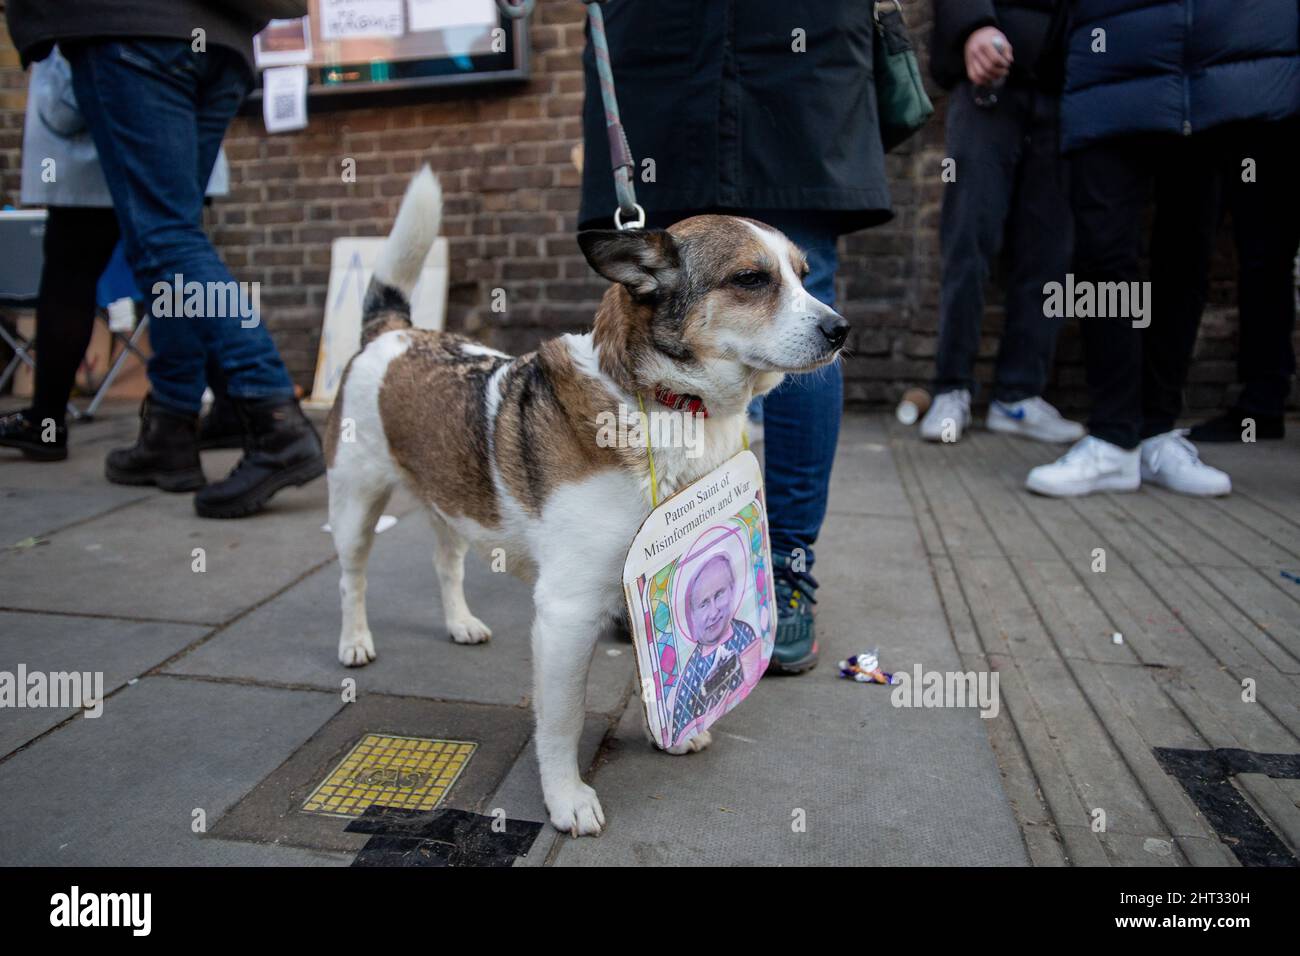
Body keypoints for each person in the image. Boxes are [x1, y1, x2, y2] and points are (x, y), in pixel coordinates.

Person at [580, 0, 892, 674]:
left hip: (794, 44)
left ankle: (782, 567)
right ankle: (654, 561)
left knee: (800, 321)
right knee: (659, 315)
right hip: (663, 47)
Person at [5, 0, 323, 518]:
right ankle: (172, 429)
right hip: (223, 38)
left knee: (165, 239)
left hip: (131, 28)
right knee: (174, 235)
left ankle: (276, 422)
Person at [1026, 0, 1299, 497]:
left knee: (1188, 254)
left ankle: (1155, 429)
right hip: (1109, 54)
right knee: (1103, 256)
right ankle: (1113, 435)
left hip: (1222, 64)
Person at [0, 47, 242, 462]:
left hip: (101, 140)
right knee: (181, 268)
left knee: (72, 274)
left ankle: (50, 419)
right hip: (173, 134)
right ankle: (231, 405)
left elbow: (66, 94)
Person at [922, 0, 1083, 445]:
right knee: (968, 241)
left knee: (1051, 251)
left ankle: (1019, 395)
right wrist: (974, 26)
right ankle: (951, 387)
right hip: (987, 86)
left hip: (1066, 89)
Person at [1188, 118, 1299, 444]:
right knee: (1262, 259)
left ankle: (1262, 403)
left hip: (1264, 115)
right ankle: (1261, 406)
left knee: (1264, 262)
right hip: (1263, 117)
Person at [669, 554, 757, 744]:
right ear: (690, 615)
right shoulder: (691, 672)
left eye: (719, 595)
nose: (714, 611)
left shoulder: (745, 633)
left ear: (733, 589)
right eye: (703, 604)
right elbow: (682, 714)